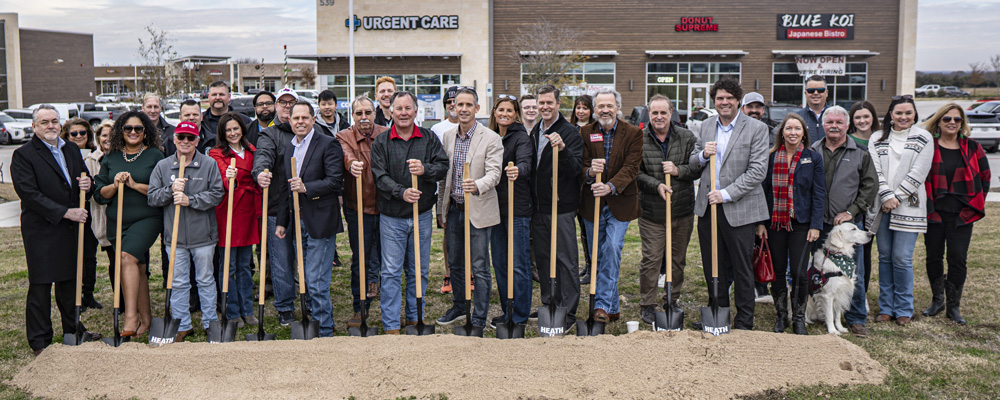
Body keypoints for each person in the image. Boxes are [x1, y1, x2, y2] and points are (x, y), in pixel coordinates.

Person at [13, 105, 103, 355]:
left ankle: (74, 330)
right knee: (41, 285)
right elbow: (29, 194)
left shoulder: (71, 149)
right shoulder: (24, 154)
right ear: (34, 127)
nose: (50, 126)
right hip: (42, 229)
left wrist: (89, 182)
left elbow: (83, 181)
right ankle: (41, 340)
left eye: (54, 121)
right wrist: (65, 212)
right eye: (44, 122)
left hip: (70, 230)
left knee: (69, 282)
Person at [689, 77, 769, 331]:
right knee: (714, 264)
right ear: (715, 101)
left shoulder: (756, 128)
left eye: (729, 98)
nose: (724, 102)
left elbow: (757, 172)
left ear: (738, 101)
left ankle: (744, 319)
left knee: (742, 265)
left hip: (739, 207)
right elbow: (693, 161)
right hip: (707, 208)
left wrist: (725, 194)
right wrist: (703, 155)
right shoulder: (707, 125)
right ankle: (717, 314)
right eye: (720, 98)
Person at [370, 91, 450, 334]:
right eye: (399, 108)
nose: (403, 112)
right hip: (392, 217)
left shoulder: (428, 138)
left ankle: (416, 318)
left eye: (408, 108)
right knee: (392, 271)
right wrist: (401, 192)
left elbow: (443, 166)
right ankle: (392, 324)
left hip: (422, 215)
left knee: (419, 270)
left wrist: (425, 169)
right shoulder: (382, 142)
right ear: (390, 111)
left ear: (416, 111)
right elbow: (379, 176)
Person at [148, 121, 225, 341]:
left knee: (206, 280)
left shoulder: (208, 164)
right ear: (174, 139)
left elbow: (217, 194)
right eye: (181, 137)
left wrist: (190, 200)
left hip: (204, 237)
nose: (185, 142)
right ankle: (182, 324)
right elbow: (152, 197)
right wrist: (170, 191)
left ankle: (210, 323)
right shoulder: (163, 167)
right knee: (179, 282)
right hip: (175, 238)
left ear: (197, 141)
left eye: (190, 138)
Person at [434, 88, 503, 329]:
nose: (462, 109)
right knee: (455, 262)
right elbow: (444, 176)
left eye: (467, 105)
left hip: (478, 210)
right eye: (457, 104)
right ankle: (459, 306)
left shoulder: (491, 138)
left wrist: (477, 185)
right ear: (452, 107)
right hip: (454, 209)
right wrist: (441, 209)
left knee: (480, 266)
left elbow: (495, 173)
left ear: (477, 108)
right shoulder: (448, 137)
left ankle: (479, 317)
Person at [274, 102, 344, 337]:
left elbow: (336, 181)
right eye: (296, 118)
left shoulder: (328, 144)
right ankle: (314, 323)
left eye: (305, 117)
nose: (300, 122)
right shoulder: (289, 149)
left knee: (315, 280)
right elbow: (286, 189)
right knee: (303, 278)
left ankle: (324, 328)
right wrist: (282, 222)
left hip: (321, 221)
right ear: (289, 121)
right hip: (297, 222)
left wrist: (307, 187)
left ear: (314, 120)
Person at [94, 110, 165, 337]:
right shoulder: (111, 157)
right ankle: (146, 321)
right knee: (138, 268)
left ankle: (130, 316)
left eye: (138, 129)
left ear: (145, 132)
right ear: (120, 132)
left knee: (126, 258)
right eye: (128, 128)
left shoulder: (155, 156)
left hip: (147, 218)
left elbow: (161, 191)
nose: (133, 132)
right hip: (117, 221)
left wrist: (134, 185)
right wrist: (115, 186)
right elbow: (99, 194)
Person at [811, 105, 878, 337]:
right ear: (823, 125)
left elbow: (870, 186)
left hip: (847, 226)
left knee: (852, 273)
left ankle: (856, 318)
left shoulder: (860, 152)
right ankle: (813, 312)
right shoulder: (813, 150)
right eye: (830, 122)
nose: (834, 126)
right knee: (814, 271)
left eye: (839, 122)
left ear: (847, 126)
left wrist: (852, 211)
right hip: (817, 223)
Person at [921, 103, 989, 325]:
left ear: (962, 123)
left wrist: (974, 203)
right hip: (935, 213)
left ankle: (953, 306)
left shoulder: (972, 147)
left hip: (962, 215)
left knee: (958, 258)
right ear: (939, 121)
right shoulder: (929, 147)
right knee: (933, 256)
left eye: (957, 119)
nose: (952, 123)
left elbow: (985, 177)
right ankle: (937, 300)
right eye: (947, 119)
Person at [578, 88, 643, 323]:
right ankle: (612, 307)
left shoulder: (633, 133)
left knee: (612, 249)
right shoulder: (585, 132)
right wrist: (588, 172)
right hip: (591, 203)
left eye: (610, 105)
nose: (605, 110)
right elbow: (581, 165)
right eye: (601, 106)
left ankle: (601, 306)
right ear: (595, 110)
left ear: (617, 108)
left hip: (620, 202)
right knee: (598, 256)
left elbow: (631, 167)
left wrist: (611, 186)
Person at [758, 114, 825, 335]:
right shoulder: (770, 157)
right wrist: (761, 223)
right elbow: (763, 192)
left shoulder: (812, 158)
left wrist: (815, 225)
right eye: (789, 128)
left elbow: (818, 193)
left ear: (804, 133)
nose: (793, 132)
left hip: (801, 224)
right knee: (777, 272)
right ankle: (781, 316)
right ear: (782, 132)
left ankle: (798, 318)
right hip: (774, 223)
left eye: (797, 128)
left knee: (799, 272)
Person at [869, 95, 933, 327]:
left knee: (902, 258)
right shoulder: (877, 138)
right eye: (898, 113)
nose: (903, 117)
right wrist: (886, 195)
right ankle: (886, 307)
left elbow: (919, 171)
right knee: (885, 257)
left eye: (908, 113)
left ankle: (904, 308)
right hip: (883, 205)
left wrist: (897, 197)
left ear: (914, 114)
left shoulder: (923, 137)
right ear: (890, 115)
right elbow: (875, 170)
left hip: (910, 206)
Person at [635, 94, 698, 325]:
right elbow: (636, 173)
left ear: (671, 113)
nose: (659, 117)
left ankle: (672, 300)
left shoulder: (687, 137)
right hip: (651, 213)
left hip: (681, 211)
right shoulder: (638, 139)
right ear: (648, 114)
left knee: (677, 260)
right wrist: (656, 184)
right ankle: (648, 304)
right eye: (654, 113)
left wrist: (678, 171)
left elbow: (698, 168)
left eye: (663, 112)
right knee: (651, 259)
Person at [528, 84, 584, 331]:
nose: (545, 107)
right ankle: (550, 303)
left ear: (558, 104)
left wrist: (562, 149)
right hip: (539, 207)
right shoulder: (535, 131)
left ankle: (568, 310)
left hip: (560, 207)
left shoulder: (569, 132)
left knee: (565, 259)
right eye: (541, 103)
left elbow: (576, 170)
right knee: (543, 258)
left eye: (549, 102)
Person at [252, 87, 302, 326]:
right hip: (276, 207)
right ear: (276, 107)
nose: (287, 107)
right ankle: (284, 307)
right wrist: (260, 173)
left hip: (307, 208)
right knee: (281, 261)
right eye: (282, 103)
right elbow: (262, 156)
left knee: (307, 261)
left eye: (292, 102)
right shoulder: (270, 135)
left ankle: (311, 301)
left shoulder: (312, 132)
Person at [338, 94, 389, 328]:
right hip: (358, 207)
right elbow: (346, 154)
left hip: (387, 208)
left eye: (368, 112)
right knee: (361, 259)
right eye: (359, 113)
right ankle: (360, 307)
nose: (364, 117)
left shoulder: (386, 133)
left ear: (375, 112)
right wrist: (351, 163)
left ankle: (388, 307)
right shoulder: (344, 135)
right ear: (353, 116)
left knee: (389, 260)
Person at [208, 113, 262, 327]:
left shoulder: (252, 151)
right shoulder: (216, 153)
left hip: (248, 210)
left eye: (236, 129)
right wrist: (229, 177)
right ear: (223, 133)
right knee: (227, 265)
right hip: (228, 211)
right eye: (228, 130)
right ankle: (231, 312)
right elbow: (222, 177)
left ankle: (247, 310)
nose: (233, 133)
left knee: (245, 266)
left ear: (242, 129)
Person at [485, 94, 533, 329]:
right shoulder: (489, 136)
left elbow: (526, 162)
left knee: (518, 263)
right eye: (500, 110)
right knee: (501, 262)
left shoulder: (521, 138)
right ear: (494, 112)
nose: (504, 114)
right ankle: (507, 310)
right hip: (494, 208)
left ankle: (520, 315)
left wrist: (518, 171)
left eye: (509, 111)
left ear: (516, 115)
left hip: (517, 208)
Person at [59, 118, 102, 310]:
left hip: (89, 209)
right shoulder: (61, 154)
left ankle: (88, 293)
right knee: (73, 254)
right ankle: (74, 295)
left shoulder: (95, 154)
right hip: (69, 212)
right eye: (73, 134)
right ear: (67, 136)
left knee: (89, 255)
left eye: (82, 133)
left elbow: (95, 184)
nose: (78, 137)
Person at [741, 91, 779, 303]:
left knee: (765, 244)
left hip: (770, 195)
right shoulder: (738, 131)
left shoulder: (773, 134)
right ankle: (750, 285)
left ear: (763, 110)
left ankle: (762, 285)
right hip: (744, 194)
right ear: (743, 108)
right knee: (746, 246)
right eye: (750, 107)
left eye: (758, 107)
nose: (754, 111)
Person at [847, 100, 881, 297]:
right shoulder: (849, 140)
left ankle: (863, 293)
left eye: (866, 116)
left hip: (879, 202)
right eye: (858, 117)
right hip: (857, 202)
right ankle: (855, 292)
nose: (862, 121)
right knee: (860, 250)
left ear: (873, 118)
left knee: (871, 250)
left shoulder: (882, 140)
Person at [431, 85, 460, 294]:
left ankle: (469, 274)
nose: (453, 105)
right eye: (449, 102)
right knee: (448, 234)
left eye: (456, 101)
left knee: (470, 235)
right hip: (444, 189)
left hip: (467, 188)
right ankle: (449, 274)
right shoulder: (437, 129)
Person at [86, 120, 114, 307]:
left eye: (112, 135)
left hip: (120, 215)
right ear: (98, 138)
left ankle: (125, 299)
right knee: (110, 256)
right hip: (100, 215)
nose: (108, 139)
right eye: (104, 135)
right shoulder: (90, 161)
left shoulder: (122, 157)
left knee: (121, 259)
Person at [572, 94, 597, 284]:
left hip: (589, 185)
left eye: (585, 108)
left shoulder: (595, 131)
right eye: (578, 107)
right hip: (574, 186)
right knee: (581, 228)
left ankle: (593, 267)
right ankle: (587, 263)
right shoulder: (571, 129)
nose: (581, 111)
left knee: (590, 229)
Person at [202, 81, 252, 147]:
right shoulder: (200, 121)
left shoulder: (244, 121)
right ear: (208, 97)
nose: (217, 98)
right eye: (214, 95)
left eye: (221, 94)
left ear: (229, 97)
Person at [795, 75, 830, 142]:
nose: (816, 93)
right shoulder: (797, 118)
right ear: (805, 93)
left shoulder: (836, 117)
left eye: (820, 90)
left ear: (826, 93)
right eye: (811, 90)